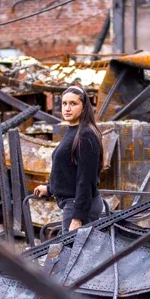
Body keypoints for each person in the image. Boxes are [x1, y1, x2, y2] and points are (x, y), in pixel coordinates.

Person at [33, 85, 104, 233]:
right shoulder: (73, 131)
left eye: (73, 103)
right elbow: (68, 172)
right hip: (73, 204)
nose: (67, 108)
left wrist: (77, 218)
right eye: (64, 103)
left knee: (72, 247)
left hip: (78, 206)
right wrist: (49, 189)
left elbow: (86, 179)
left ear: (84, 107)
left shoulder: (86, 135)